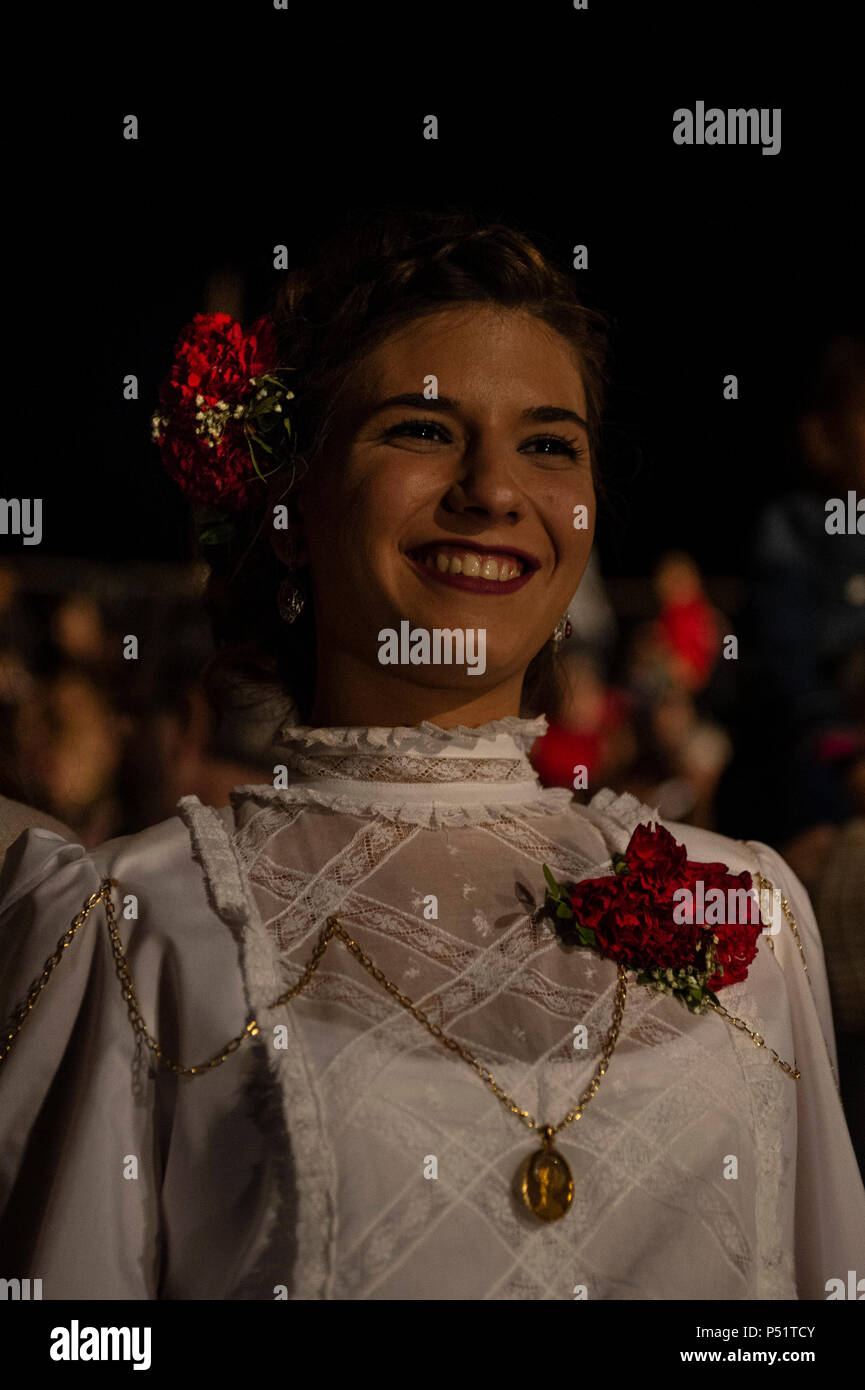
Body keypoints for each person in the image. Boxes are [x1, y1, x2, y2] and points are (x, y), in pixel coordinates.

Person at [1, 210, 862, 1301]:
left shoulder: (747, 908)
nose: (495, 490)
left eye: (549, 443)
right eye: (421, 430)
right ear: (291, 510)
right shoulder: (142, 926)